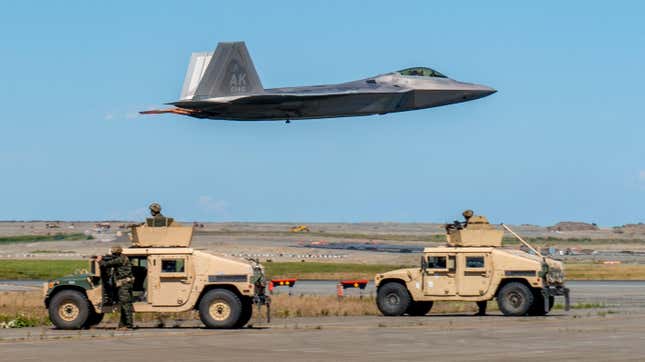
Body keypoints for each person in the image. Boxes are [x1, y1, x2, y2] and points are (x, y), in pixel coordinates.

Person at [98, 246, 135, 330]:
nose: (113, 254)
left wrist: (100, 260)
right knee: (123, 305)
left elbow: (106, 264)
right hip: (125, 284)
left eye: (114, 253)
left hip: (124, 285)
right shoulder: (123, 257)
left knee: (126, 305)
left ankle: (129, 325)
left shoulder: (120, 259)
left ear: (117, 253)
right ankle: (123, 325)